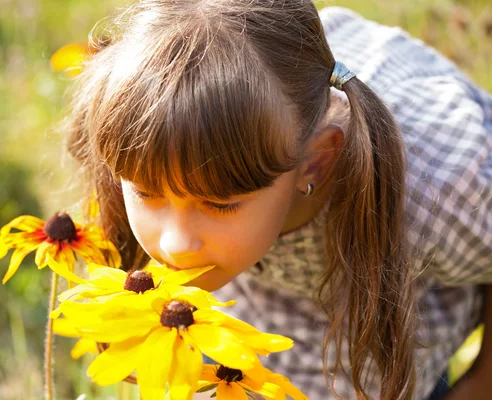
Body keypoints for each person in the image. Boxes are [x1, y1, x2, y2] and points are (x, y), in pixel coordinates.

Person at [62, 1, 492, 399]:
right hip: (254, 345)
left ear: (314, 163)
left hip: (394, 360)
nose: (174, 244)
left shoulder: (443, 195)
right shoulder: (165, 140)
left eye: (220, 204)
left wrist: (481, 384)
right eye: (146, 192)